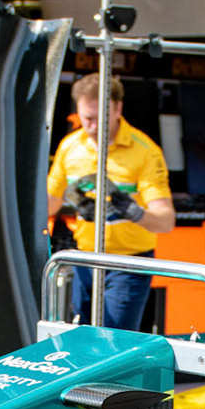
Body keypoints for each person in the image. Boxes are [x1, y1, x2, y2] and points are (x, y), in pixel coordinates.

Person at [45, 73, 176, 332]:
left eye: (100, 118)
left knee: (115, 339)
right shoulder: (70, 146)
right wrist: (71, 198)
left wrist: (134, 212)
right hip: (85, 258)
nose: (93, 126)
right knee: (79, 336)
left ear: (118, 108)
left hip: (129, 263)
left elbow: (165, 221)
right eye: (87, 118)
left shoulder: (145, 151)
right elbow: (49, 203)